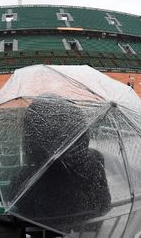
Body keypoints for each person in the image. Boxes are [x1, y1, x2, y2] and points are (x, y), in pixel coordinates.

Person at [10, 94, 111, 229]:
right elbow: (104, 205)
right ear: (81, 130)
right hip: (85, 228)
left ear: (30, 137)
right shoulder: (96, 158)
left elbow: (18, 206)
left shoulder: (25, 177)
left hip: (45, 231)